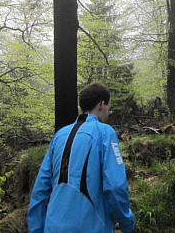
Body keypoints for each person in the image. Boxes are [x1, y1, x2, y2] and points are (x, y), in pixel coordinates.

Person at [28, 83, 135, 233]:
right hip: (91, 227)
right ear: (101, 104)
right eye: (109, 107)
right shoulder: (105, 132)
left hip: (53, 227)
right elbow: (116, 186)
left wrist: (36, 229)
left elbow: (39, 190)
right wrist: (127, 222)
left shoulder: (59, 136)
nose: (109, 112)